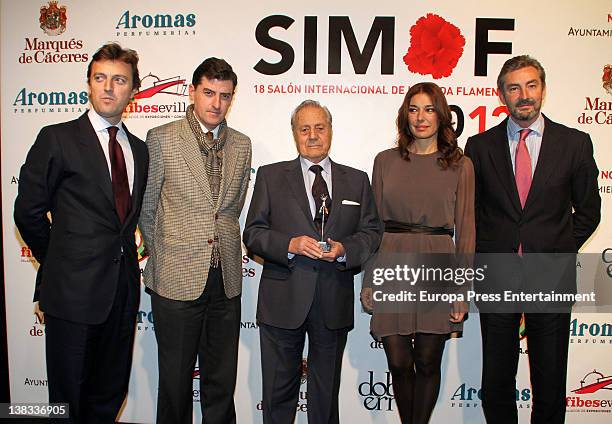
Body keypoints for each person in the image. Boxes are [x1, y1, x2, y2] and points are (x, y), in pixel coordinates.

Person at [14, 43, 148, 423]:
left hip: (121, 295)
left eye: (119, 80)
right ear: (88, 85)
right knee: (67, 399)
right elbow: (28, 212)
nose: (108, 87)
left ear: (133, 91)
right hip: (71, 295)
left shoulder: (138, 150)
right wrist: (60, 263)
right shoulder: (56, 138)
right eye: (100, 78)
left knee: (108, 396)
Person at [465, 55, 601, 423]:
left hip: (550, 275)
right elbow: (472, 214)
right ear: (501, 95)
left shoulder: (574, 143)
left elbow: (588, 211)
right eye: (514, 88)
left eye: (531, 85)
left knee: (551, 376)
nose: (523, 95)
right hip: (496, 275)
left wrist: (554, 248)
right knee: (495, 378)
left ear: (542, 89)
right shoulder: (479, 147)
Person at [243, 100, 382, 423]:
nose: (313, 135)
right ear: (294, 134)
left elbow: (372, 232)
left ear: (330, 131)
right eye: (304, 128)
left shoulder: (357, 180)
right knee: (278, 395)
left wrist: (344, 249)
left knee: (325, 396)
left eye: (320, 127)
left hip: (332, 300)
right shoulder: (270, 176)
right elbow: (253, 233)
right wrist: (289, 244)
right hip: (282, 300)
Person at [139, 57, 251, 424]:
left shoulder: (241, 144)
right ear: (192, 91)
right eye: (208, 93)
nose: (216, 103)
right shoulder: (162, 138)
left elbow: (230, 210)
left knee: (221, 382)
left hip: (226, 281)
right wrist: (166, 255)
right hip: (175, 279)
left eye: (224, 95)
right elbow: (147, 207)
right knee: (174, 382)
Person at [361, 82, 475, 423]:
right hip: (392, 259)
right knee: (397, 361)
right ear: (404, 115)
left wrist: (462, 288)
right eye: (413, 109)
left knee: (427, 361)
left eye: (428, 109)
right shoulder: (385, 161)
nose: (421, 117)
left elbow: (467, 230)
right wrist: (369, 278)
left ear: (441, 115)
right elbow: (373, 226)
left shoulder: (459, 165)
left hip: (438, 260)